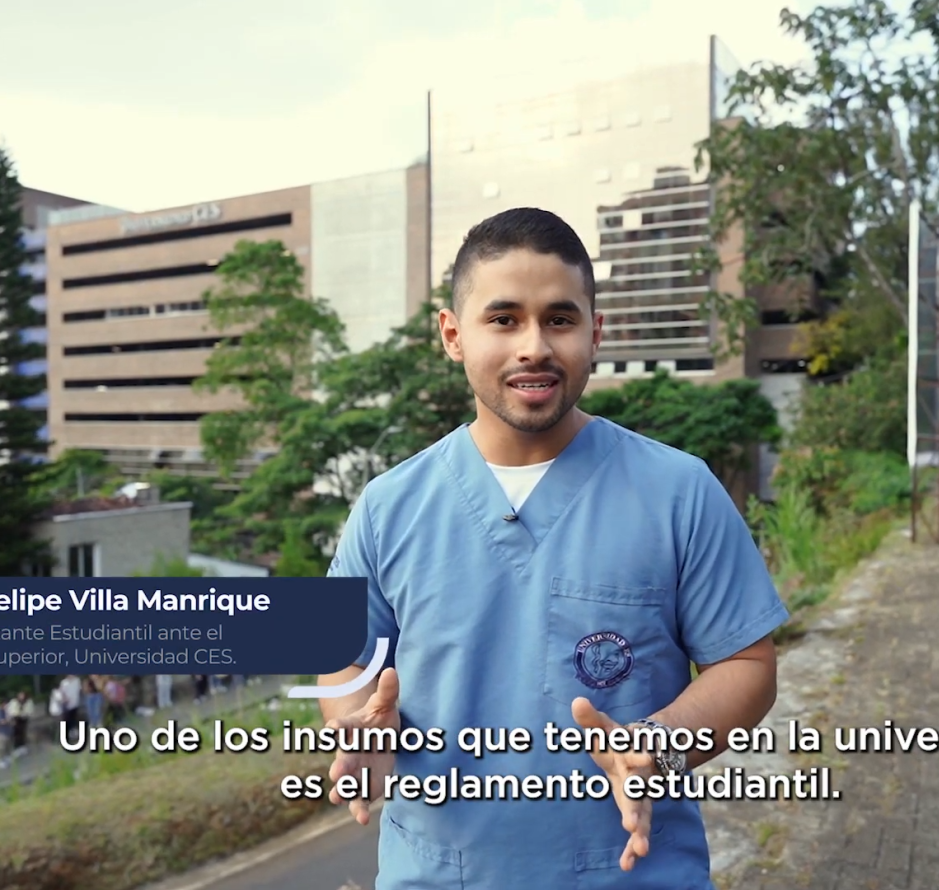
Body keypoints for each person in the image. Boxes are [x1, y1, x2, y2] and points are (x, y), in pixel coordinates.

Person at [320, 207, 788, 889]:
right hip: (437, 872)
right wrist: (357, 727)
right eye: (504, 319)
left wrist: (657, 747)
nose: (533, 345)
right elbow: (343, 657)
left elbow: (748, 663)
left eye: (560, 320)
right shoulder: (390, 506)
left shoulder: (678, 491)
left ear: (596, 334)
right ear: (453, 335)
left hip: (632, 873)